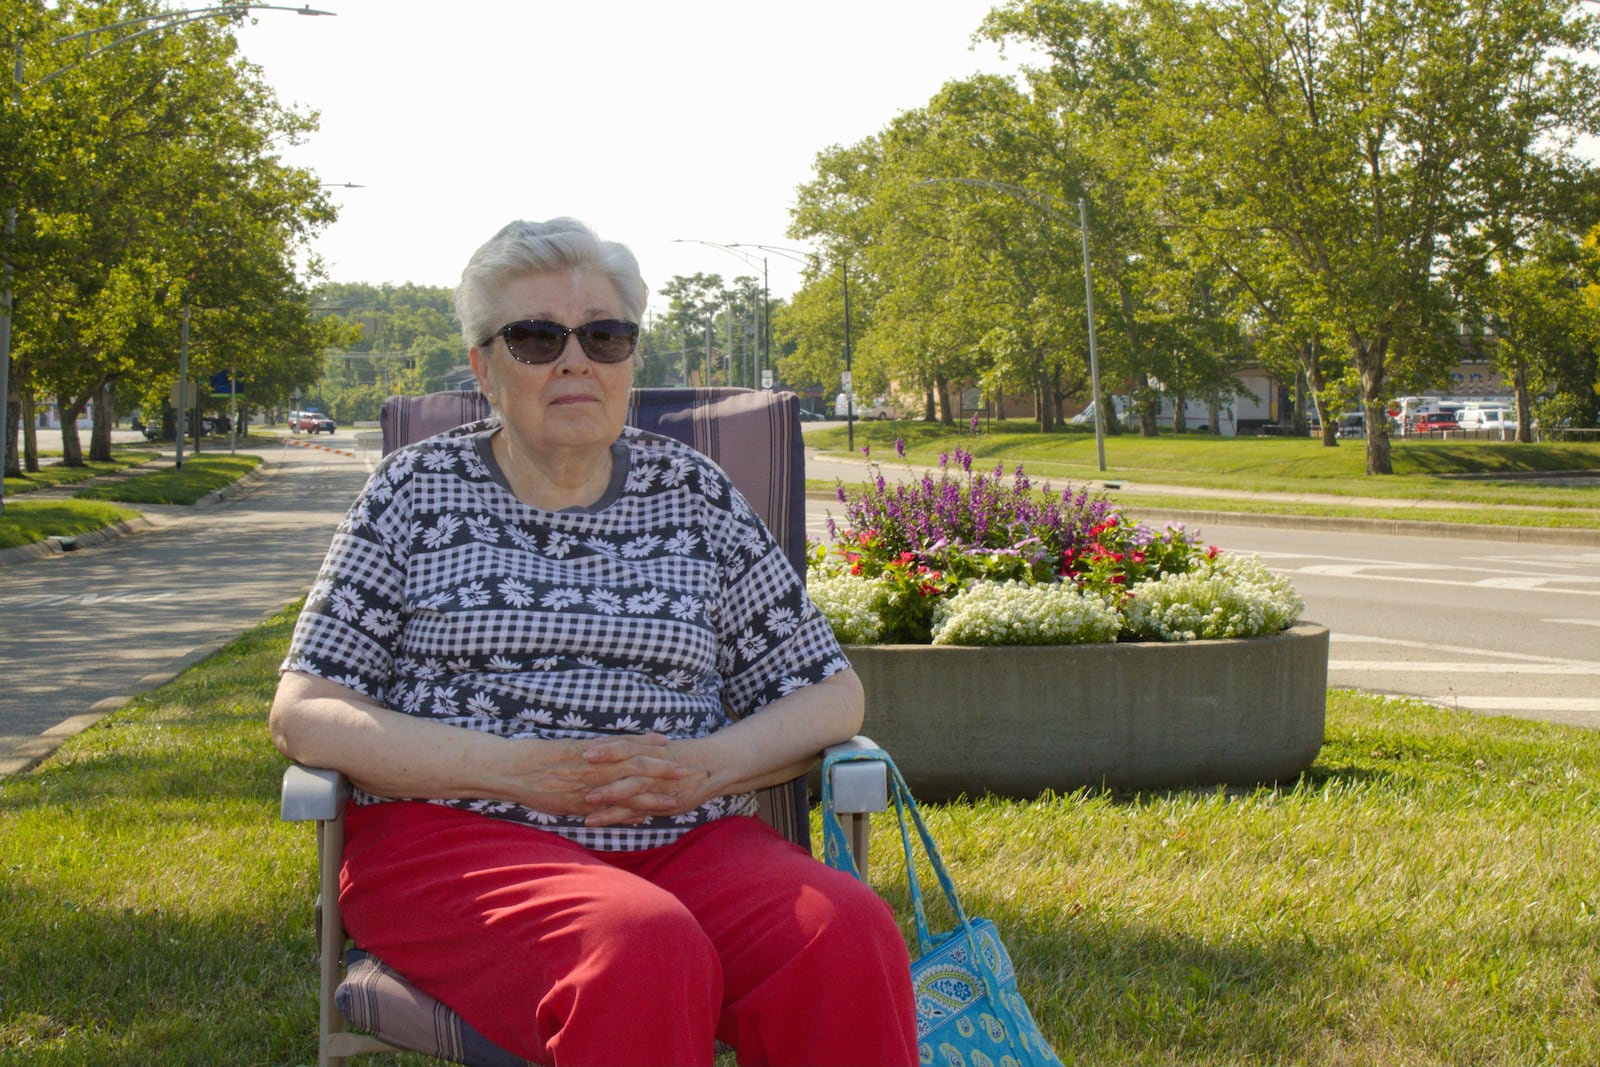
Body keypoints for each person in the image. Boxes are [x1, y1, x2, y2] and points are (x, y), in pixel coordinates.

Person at [270, 217, 918, 1066]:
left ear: (628, 360)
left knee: (844, 929)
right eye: (537, 338)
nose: (575, 361)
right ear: (483, 367)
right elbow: (306, 709)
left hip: (685, 831)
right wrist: (516, 769)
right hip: (456, 838)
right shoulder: (414, 492)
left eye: (604, 336)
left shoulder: (693, 492)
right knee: (639, 943)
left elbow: (831, 692)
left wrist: (706, 767)